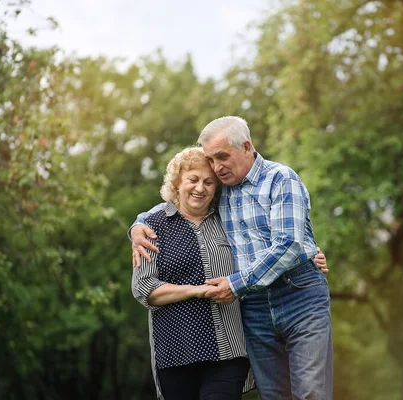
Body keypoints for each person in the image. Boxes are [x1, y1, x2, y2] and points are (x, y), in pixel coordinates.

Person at [131, 116, 333, 400]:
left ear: (246, 147)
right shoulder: (221, 189)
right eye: (211, 160)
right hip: (255, 307)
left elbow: (288, 243)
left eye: (222, 157)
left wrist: (237, 283)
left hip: (297, 295)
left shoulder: (280, 178)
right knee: (274, 394)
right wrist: (137, 225)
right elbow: (176, 203)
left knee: (310, 391)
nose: (216, 168)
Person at [131, 146, 254, 400]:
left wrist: (308, 254)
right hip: (175, 351)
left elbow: (263, 246)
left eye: (209, 182)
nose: (201, 188)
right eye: (193, 180)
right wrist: (198, 290)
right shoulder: (152, 225)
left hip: (228, 351)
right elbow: (144, 288)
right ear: (177, 183)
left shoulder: (228, 218)